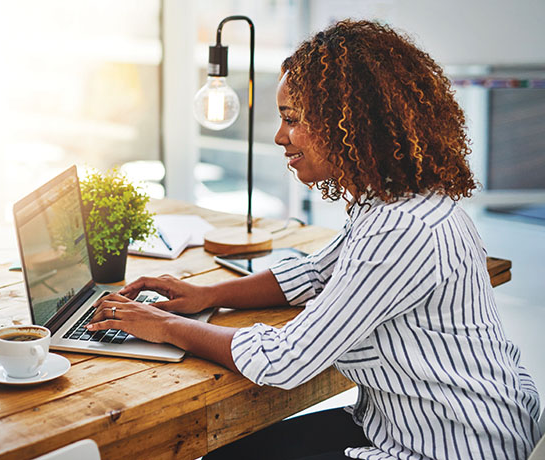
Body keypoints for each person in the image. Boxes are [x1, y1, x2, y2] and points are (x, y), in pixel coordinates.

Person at [86, 19, 541, 460]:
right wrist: (206, 294)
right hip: (406, 422)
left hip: (449, 446)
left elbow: (287, 360)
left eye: (291, 118)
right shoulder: (392, 202)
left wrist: (163, 326)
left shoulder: (402, 228)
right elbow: (313, 273)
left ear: (349, 122)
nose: (280, 136)